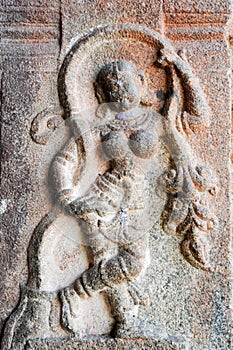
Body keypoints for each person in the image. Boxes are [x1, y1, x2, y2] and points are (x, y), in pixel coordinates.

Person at [52, 49, 211, 337]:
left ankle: (75, 292)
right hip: (102, 199)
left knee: (134, 262)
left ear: (140, 81)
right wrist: (66, 197)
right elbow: (65, 160)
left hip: (137, 201)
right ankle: (124, 323)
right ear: (102, 95)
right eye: (111, 87)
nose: (120, 89)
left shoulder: (155, 122)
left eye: (125, 82)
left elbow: (195, 126)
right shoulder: (100, 123)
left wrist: (182, 69)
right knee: (106, 261)